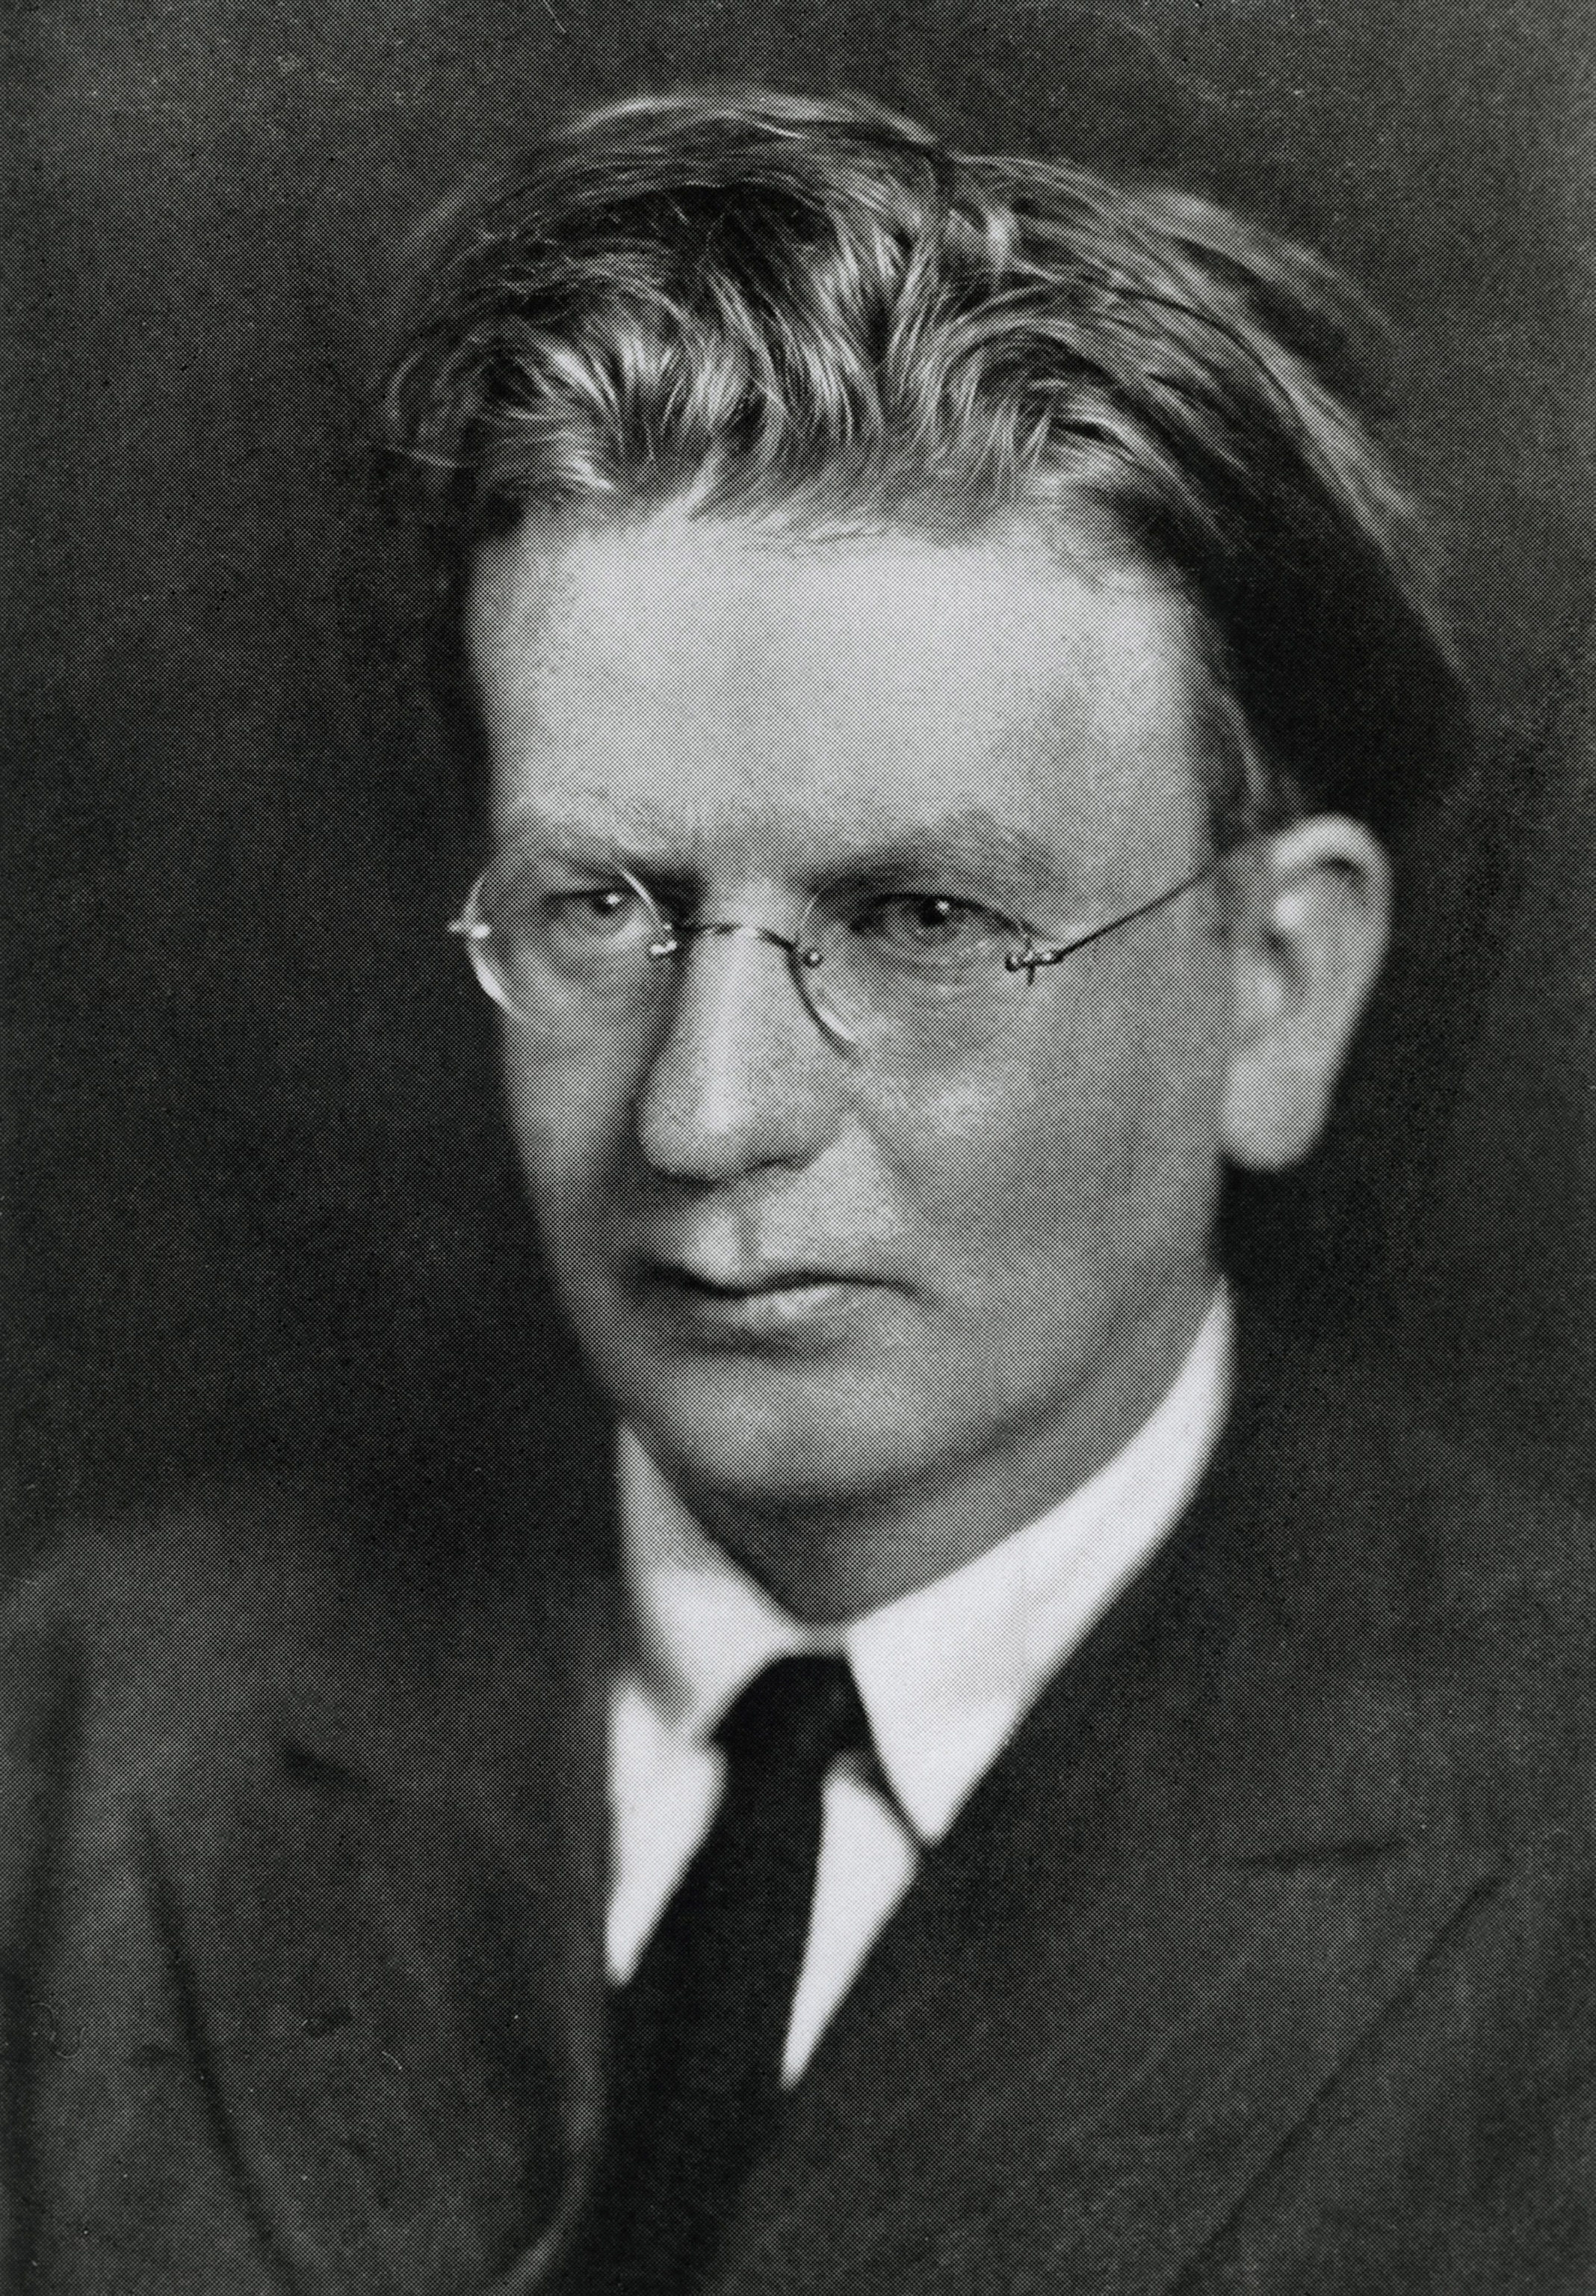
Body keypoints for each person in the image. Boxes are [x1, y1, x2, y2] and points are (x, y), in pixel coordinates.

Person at [2, 84, 1591, 2296]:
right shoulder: (83, 1730)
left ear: (1281, 986)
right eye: (600, 907)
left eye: (921, 922)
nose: (704, 1116)